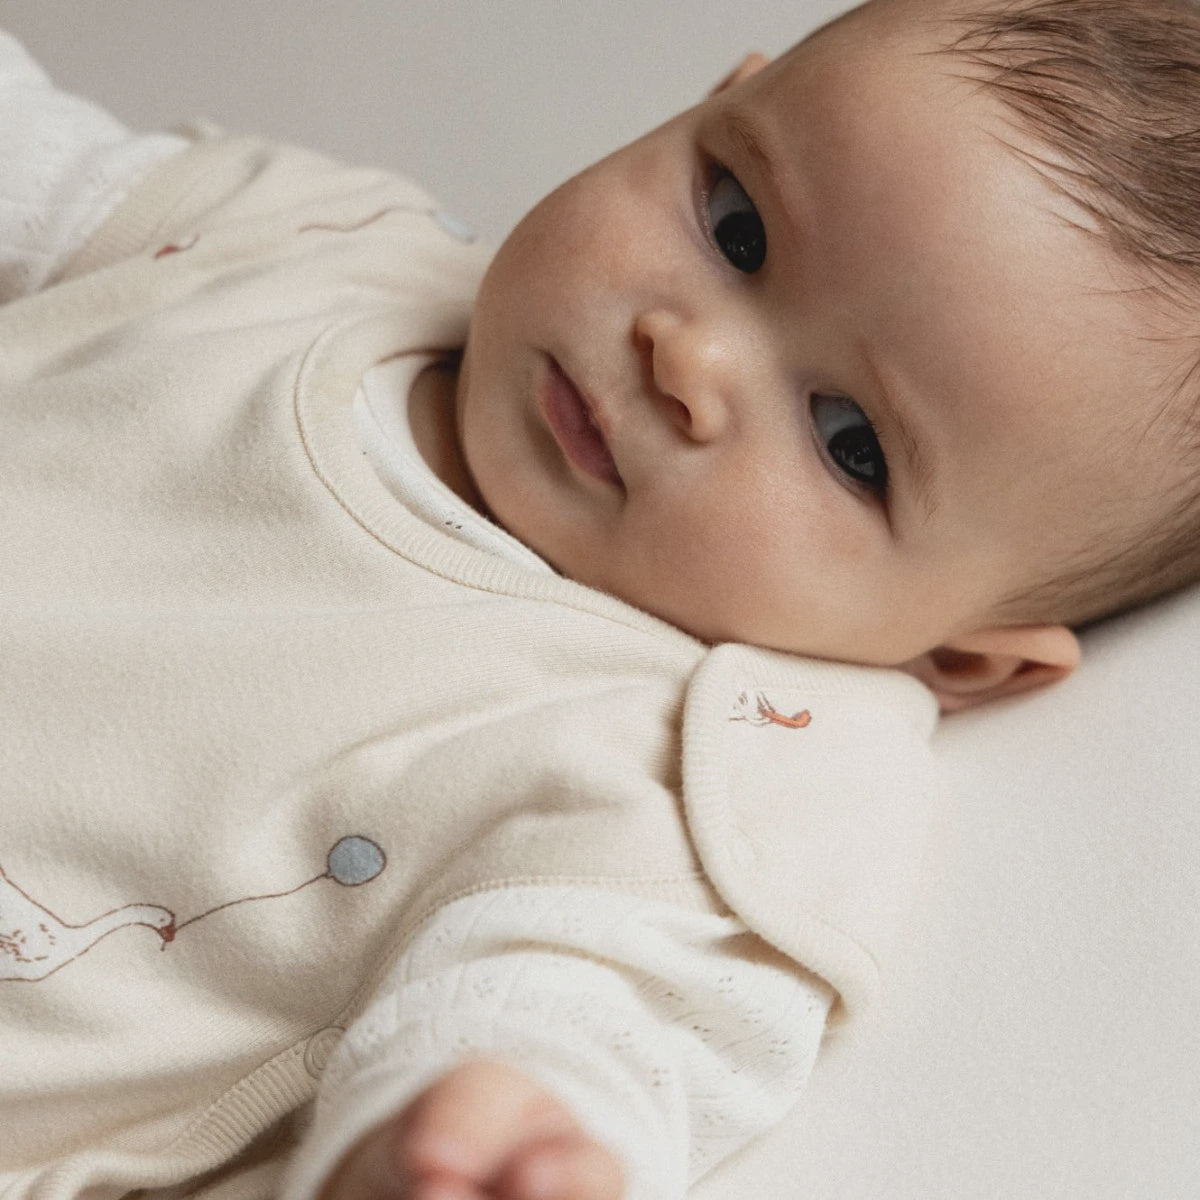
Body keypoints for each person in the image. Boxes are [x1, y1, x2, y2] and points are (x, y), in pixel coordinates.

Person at [2, 0, 1199, 1197]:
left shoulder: (699, 753)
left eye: (852, 443)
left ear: (963, 658)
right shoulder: (321, 241)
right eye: (736, 227)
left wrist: (482, 1123)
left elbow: (583, 1000)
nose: (688, 359)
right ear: (717, 98)